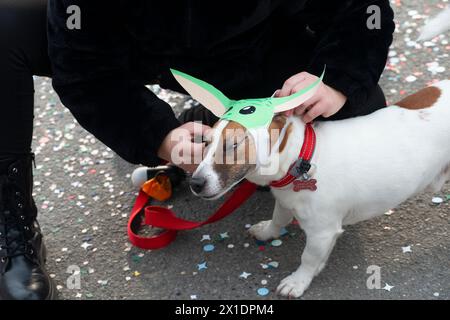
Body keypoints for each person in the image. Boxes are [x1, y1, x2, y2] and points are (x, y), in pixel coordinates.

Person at [0, 0, 395, 299]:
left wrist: (339, 78)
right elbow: (84, 71)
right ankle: (10, 218)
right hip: (146, 49)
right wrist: (158, 135)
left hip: (256, 49)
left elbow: (363, 8)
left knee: (359, 112)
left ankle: (223, 124)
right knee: (7, 27)